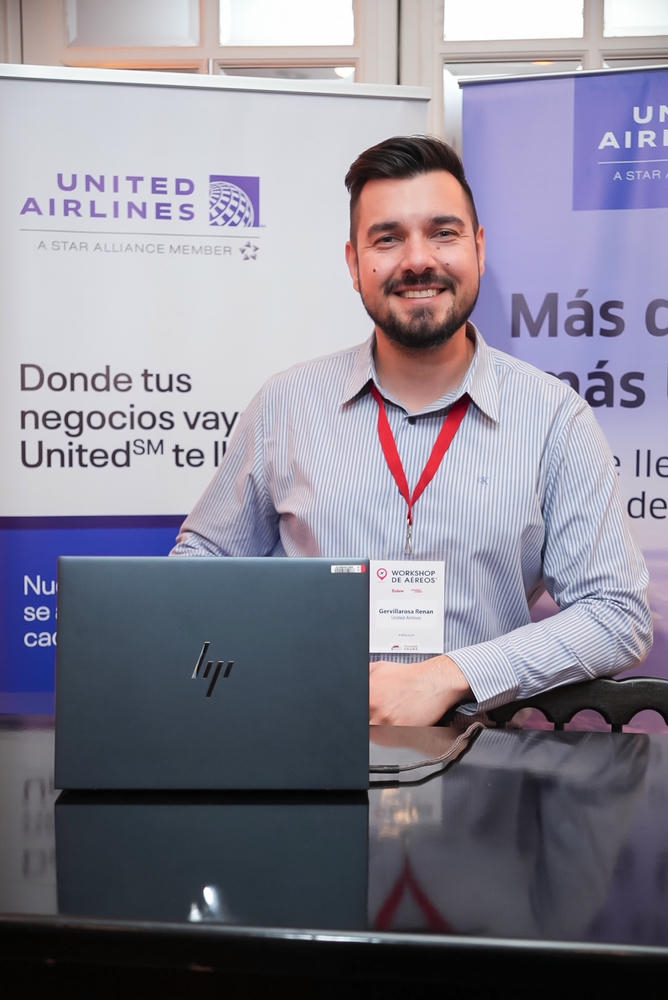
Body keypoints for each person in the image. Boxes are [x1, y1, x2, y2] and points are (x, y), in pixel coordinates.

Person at [171, 134, 653, 726]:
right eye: (387, 238)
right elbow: (199, 570)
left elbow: (617, 613)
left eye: (443, 232)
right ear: (354, 264)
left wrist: (449, 675)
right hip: (306, 747)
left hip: (487, 756)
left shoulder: (554, 418)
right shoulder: (286, 405)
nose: (418, 260)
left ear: (479, 248)